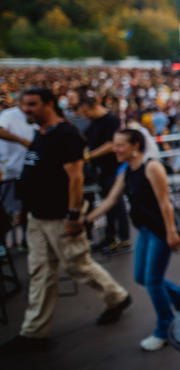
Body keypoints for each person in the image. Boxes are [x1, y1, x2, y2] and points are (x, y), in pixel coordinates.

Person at [0, 88, 130, 354]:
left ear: (49, 104)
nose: (26, 110)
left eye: (32, 105)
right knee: (40, 272)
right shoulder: (41, 133)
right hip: (38, 215)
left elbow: (76, 178)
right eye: (24, 105)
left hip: (59, 215)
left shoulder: (66, 134)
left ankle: (116, 297)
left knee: (78, 264)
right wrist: (26, 208)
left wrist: (73, 215)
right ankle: (34, 331)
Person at [84, 129, 180, 351]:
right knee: (141, 277)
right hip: (144, 230)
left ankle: (165, 328)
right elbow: (111, 200)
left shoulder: (152, 167)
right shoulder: (125, 170)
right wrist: (85, 220)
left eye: (120, 145)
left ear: (135, 146)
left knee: (152, 281)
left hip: (160, 230)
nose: (115, 149)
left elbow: (165, 203)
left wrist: (171, 232)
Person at [77, 93, 131, 253]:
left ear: (93, 107)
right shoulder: (94, 124)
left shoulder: (111, 120)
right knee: (109, 205)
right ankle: (110, 237)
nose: (85, 116)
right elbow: (85, 141)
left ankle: (123, 238)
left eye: (86, 112)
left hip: (112, 169)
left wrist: (88, 156)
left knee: (116, 204)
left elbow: (110, 144)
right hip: (101, 170)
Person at [0, 95, 36, 248]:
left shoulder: (36, 117)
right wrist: (22, 141)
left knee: (26, 207)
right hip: (9, 170)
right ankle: (3, 245)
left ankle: (25, 240)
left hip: (28, 170)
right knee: (6, 210)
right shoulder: (9, 115)